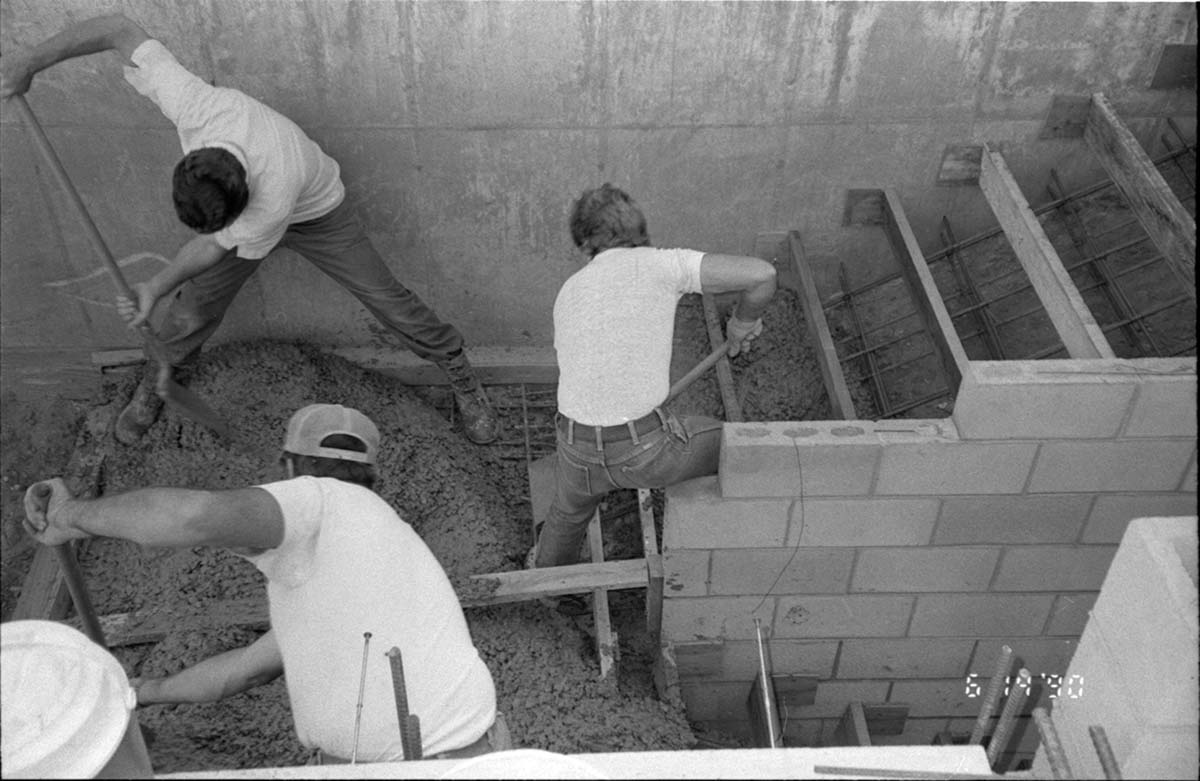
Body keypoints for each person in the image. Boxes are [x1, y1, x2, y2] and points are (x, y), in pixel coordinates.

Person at [1, 14, 499, 446]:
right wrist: (28, 63)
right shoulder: (195, 105)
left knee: (387, 298)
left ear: (241, 205)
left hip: (318, 212)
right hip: (246, 220)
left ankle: (457, 370)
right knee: (194, 307)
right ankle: (160, 374)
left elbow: (215, 247)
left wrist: (154, 285)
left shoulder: (273, 191)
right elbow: (116, 29)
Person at [23, 403, 500, 763]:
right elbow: (245, 670)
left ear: (288, 468)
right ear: (371, 477)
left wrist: (71, 516)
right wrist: (141, 690)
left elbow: (190, 517)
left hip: (415, 764)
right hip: (480, 751)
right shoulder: (373, 547)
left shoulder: (315, 499)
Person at [529, 183, 777, 614]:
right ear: (640, 232)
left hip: (575, 444)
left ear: (584, 243)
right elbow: (762, 275)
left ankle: (553, 584)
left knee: (568, 514)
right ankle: (757, 536)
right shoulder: (663, 265)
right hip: (644, 453)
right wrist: (742, 322)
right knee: (732, 440)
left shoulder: (570, 290)